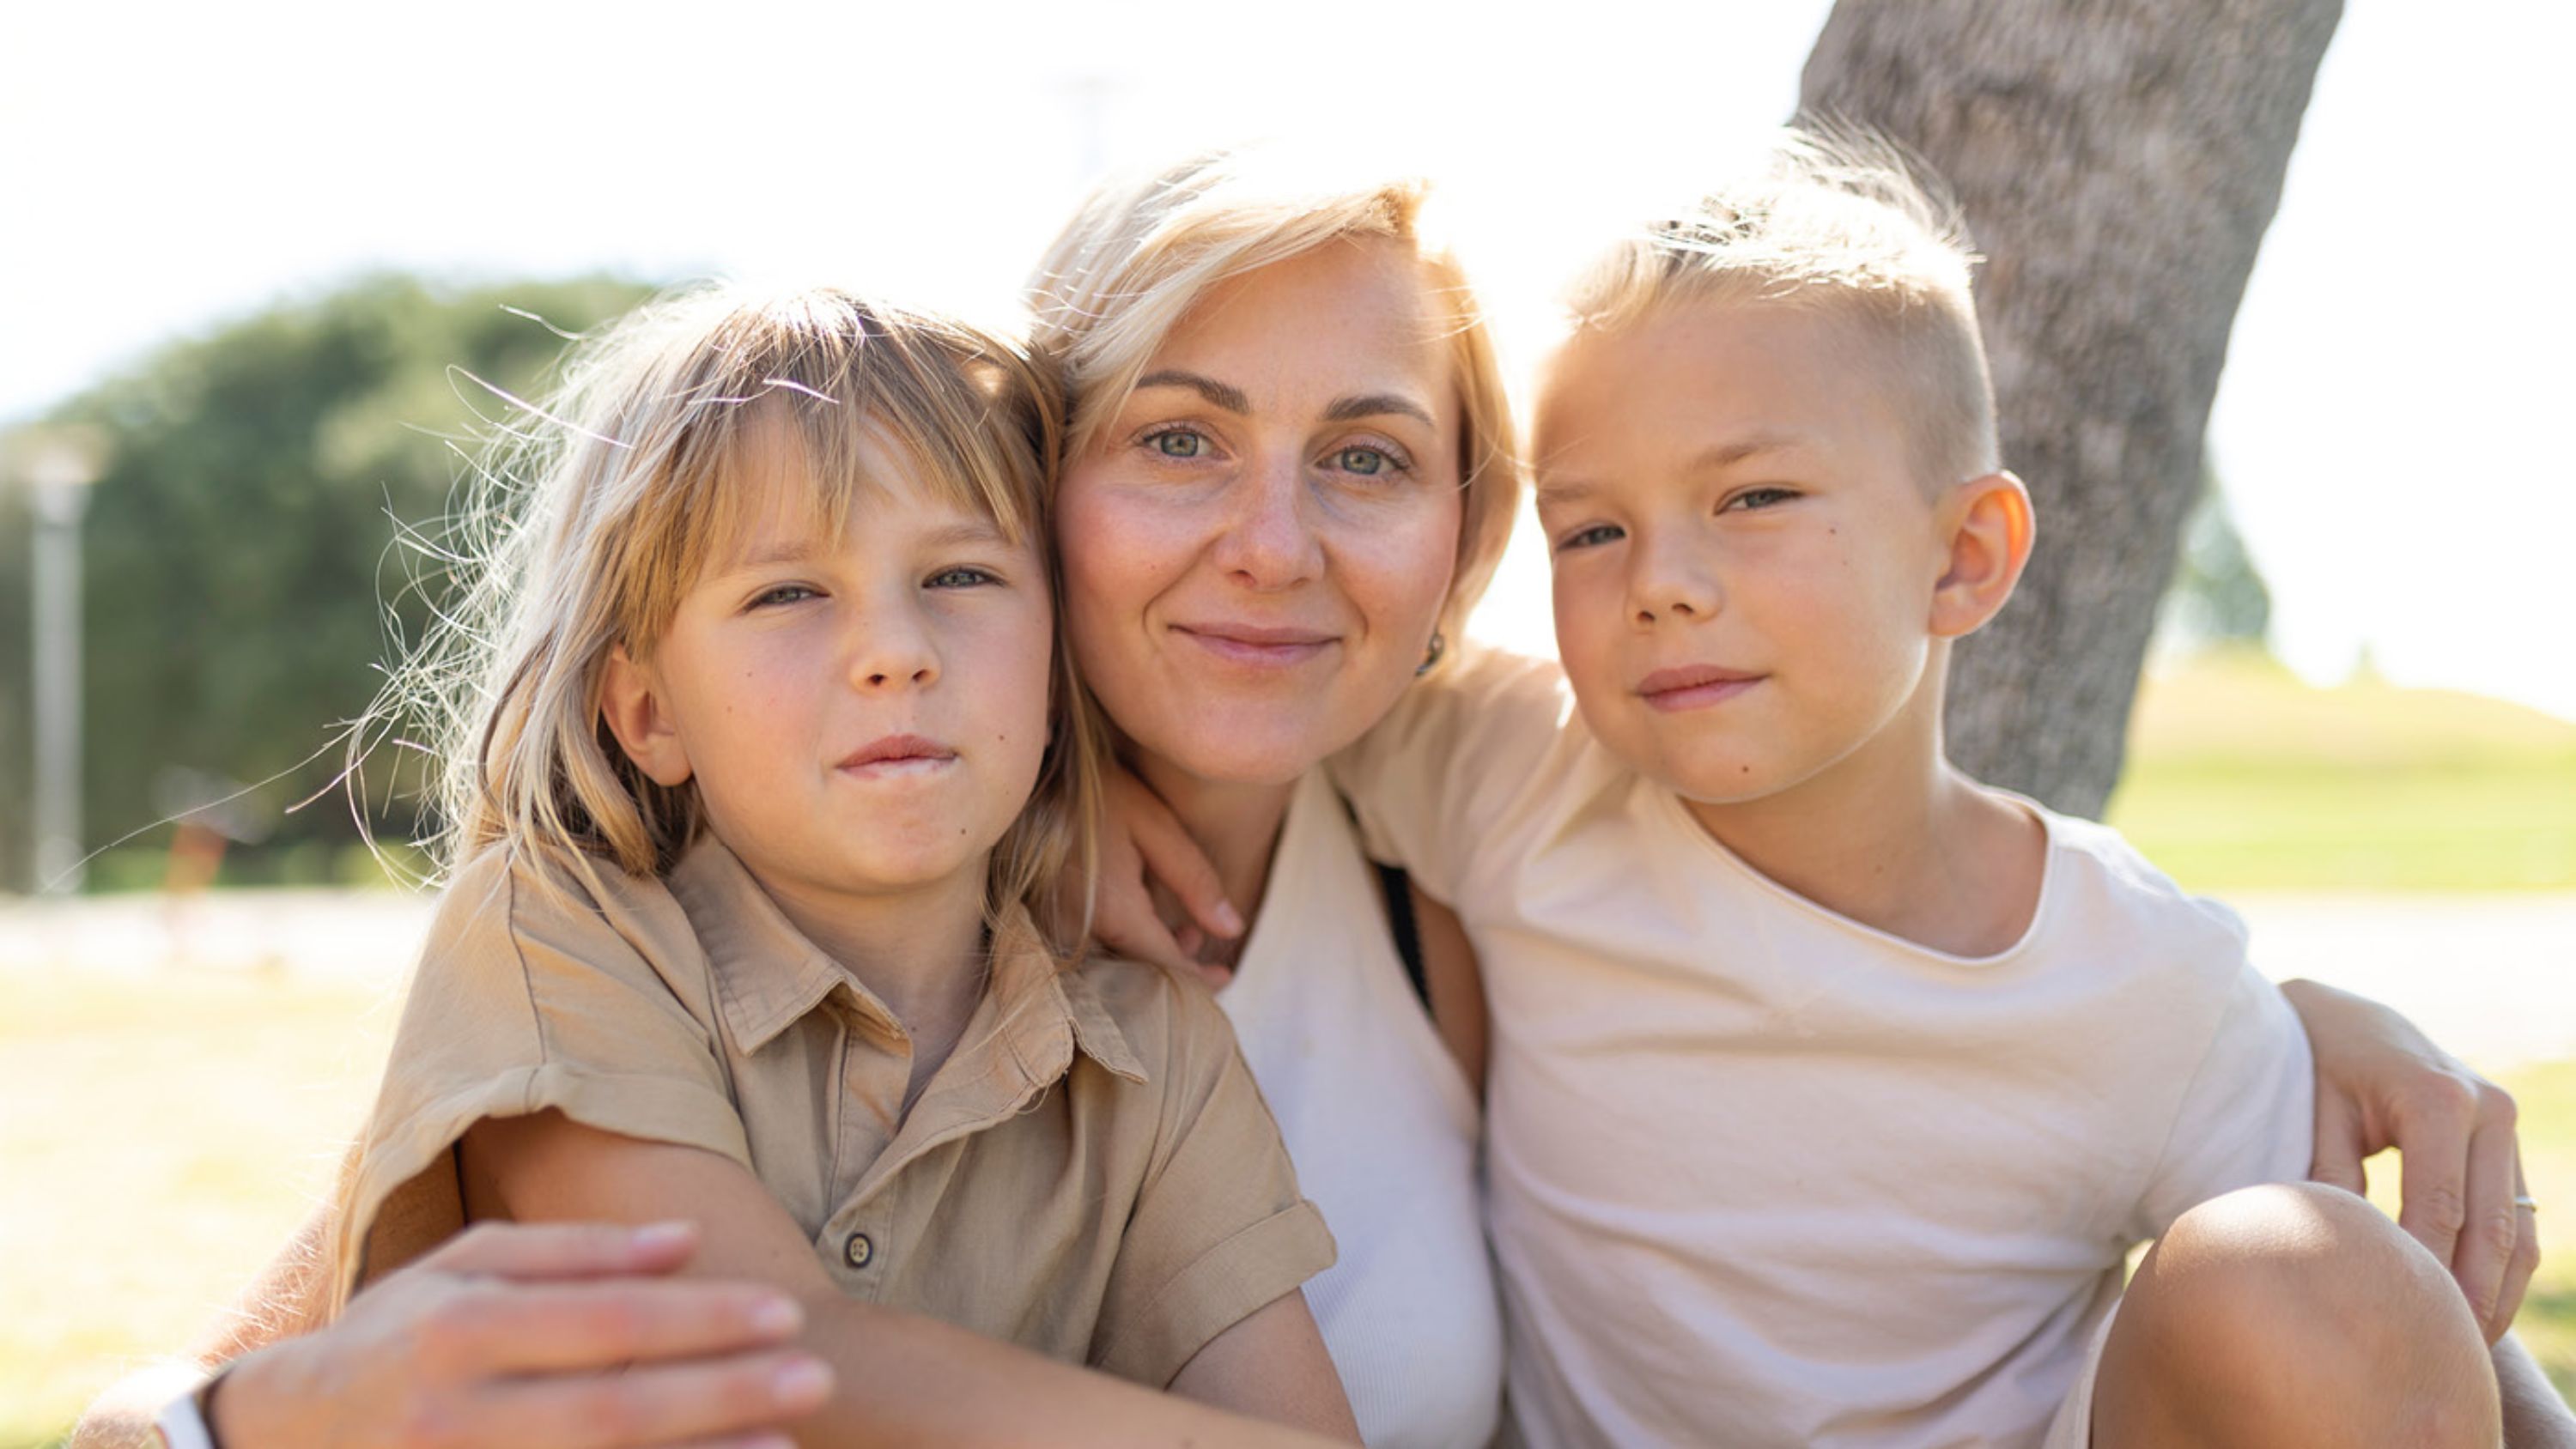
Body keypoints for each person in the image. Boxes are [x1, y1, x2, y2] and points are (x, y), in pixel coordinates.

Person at [76, 149, 2549, 1447]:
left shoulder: (1482, 826)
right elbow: (295, 1384)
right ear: (1046, 488)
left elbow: (1907, 916)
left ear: (1460, 541)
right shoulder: (749, 892)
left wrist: (2287, 1006)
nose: (1271, 543)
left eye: (1368, 460)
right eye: (1173, 444)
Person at [1314, 130, 2558, 1446]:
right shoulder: (1516, 774)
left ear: (1965, 556)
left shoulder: (2143, 981)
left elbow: (2396, 1352)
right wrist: (1121, 832)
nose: (1660, 579)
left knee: (2314, 1271)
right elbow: (1239, 719)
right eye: (1592, 529)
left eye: (1755, 495)